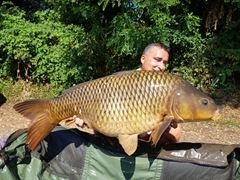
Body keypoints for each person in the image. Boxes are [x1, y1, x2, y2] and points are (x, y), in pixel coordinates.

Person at [139, 43, 181, 144]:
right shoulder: (125, 80)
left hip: (150, 125)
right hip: (127, 123)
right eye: (157, 60)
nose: (161, 66)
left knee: (176, 131)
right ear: (143, 59)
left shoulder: (164, 85)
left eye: (165, 63)